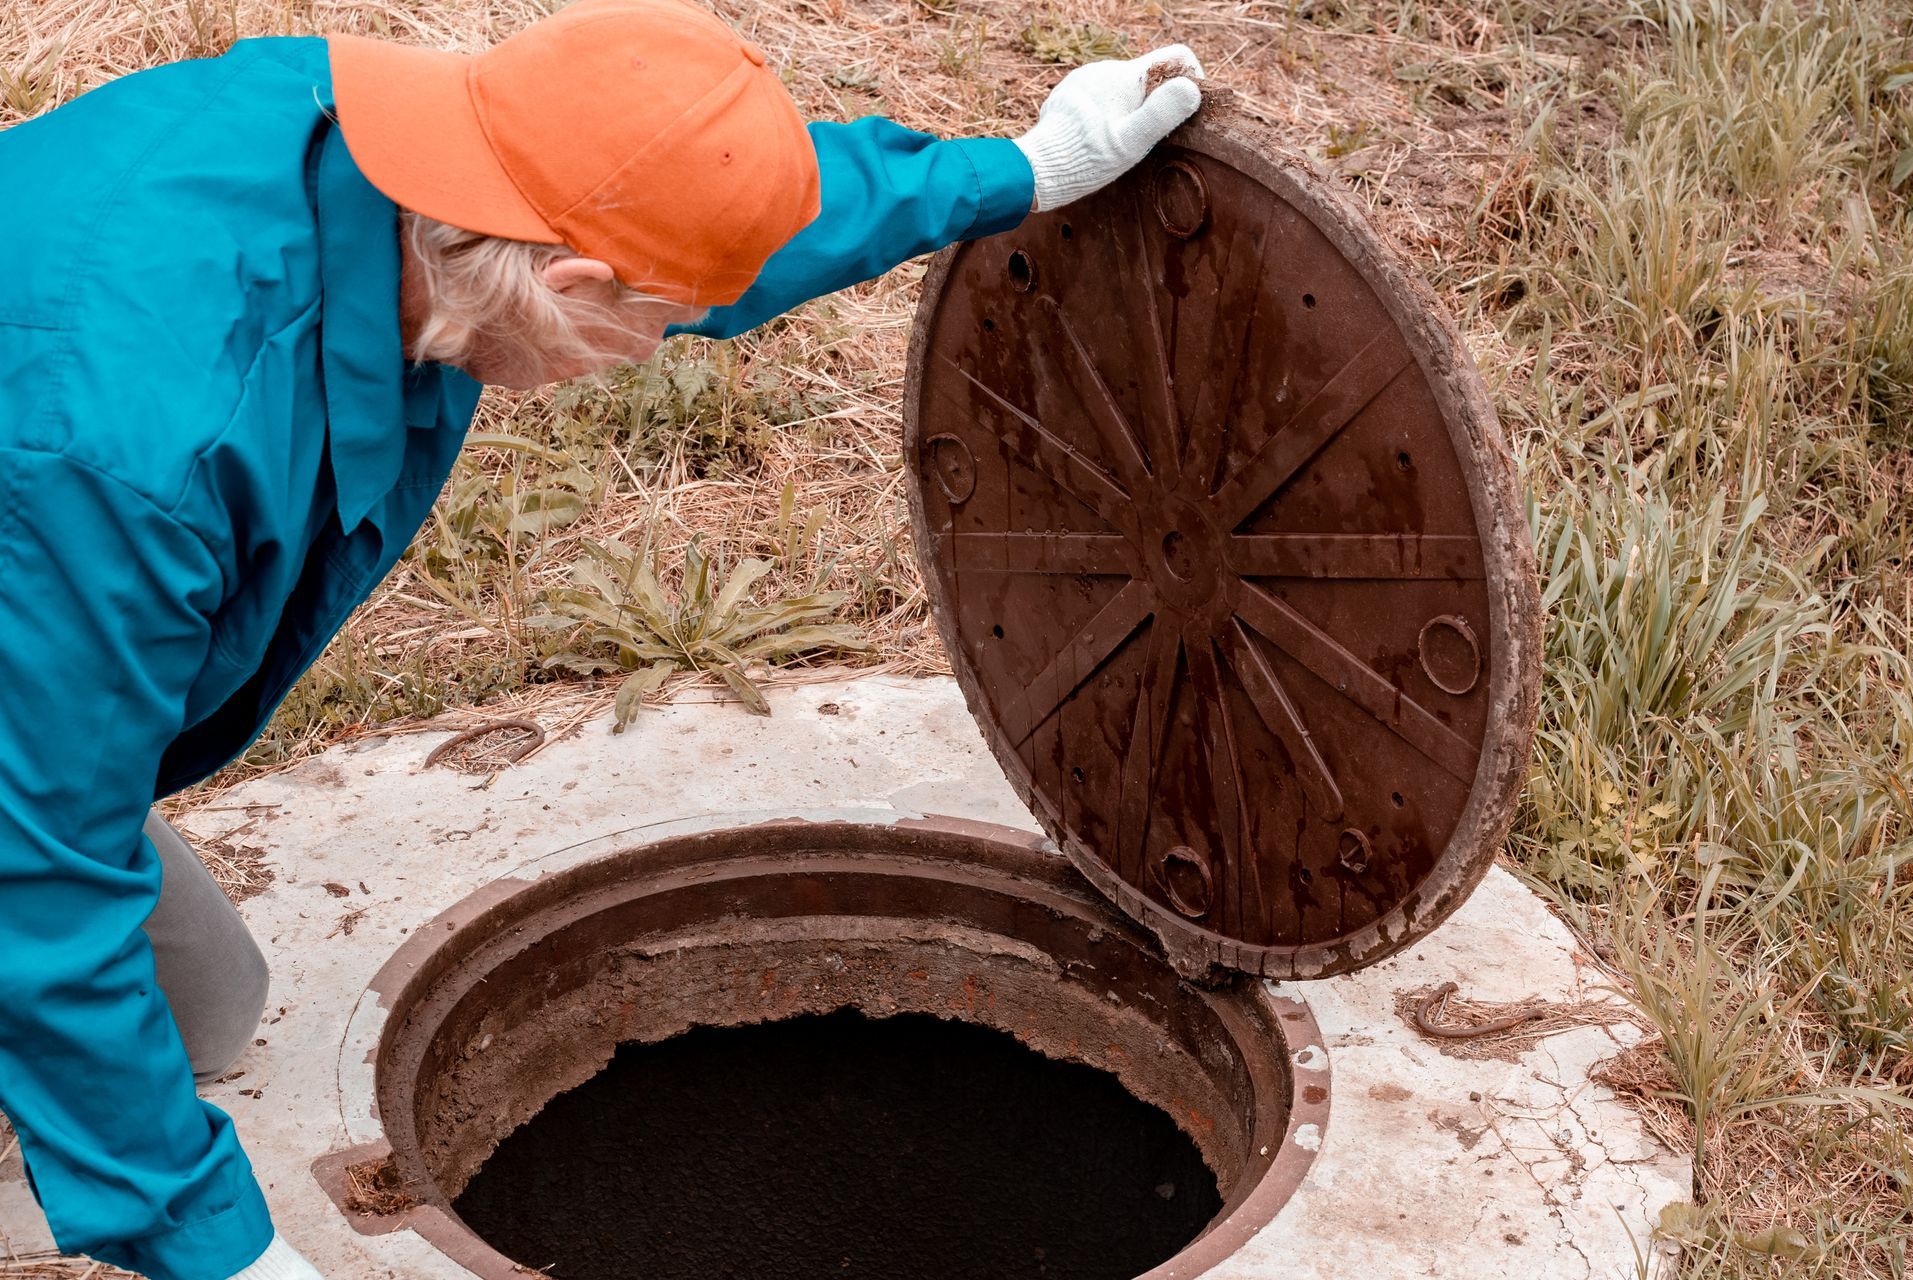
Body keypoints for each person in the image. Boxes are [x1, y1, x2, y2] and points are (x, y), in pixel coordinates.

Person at [0, 1, 1204, 1277]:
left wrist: (1014, 168)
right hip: (41, 549)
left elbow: (703, 216)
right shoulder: (127, 455)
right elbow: (39, 870)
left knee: (202, 1005)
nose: (660, 347)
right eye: (658, 327)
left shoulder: (409, 164)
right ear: (570, 284)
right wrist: (220, 1250)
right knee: (62, 955)